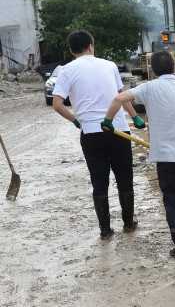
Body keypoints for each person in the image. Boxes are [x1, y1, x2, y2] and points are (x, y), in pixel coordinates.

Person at [103, 51, 175, 259]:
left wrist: (108, 121)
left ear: (153, 70)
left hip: (165, 158)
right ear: (174, 67)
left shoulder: (149, 88)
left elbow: (119, 98)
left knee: (171, 200)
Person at [52, 30, 145, 240]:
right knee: (125, 179)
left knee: (99, 182)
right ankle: (129, 224)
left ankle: (105, 231)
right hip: (119, 129)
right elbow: (122, 97)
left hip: (91, 133)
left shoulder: (66, 70)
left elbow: (57, 104)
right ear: (91, 45)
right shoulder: (109, 65)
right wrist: (135, 116)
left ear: (71, 50)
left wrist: (76, 120)